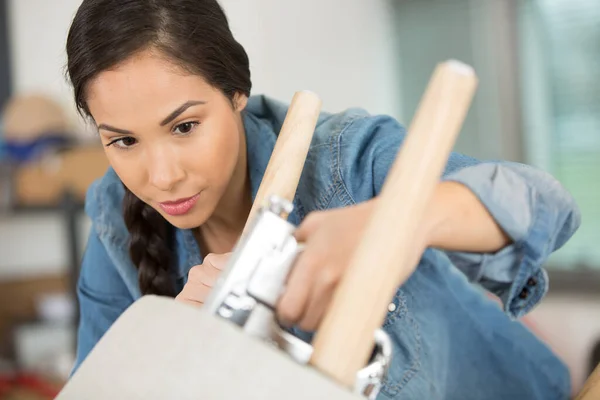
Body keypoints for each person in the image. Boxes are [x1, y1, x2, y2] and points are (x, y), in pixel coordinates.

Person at [65, 0, 580, 399]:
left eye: (185, 126)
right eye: (124, 141)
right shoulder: (115, 216)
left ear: (236, 91)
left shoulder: (344, 155)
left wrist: (393, 223)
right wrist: (174, 342)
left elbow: (542, 203)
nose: (162, 177)